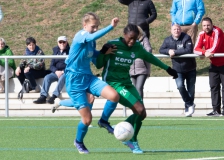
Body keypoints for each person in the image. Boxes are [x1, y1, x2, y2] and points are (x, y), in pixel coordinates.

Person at [96, 24, 178, 154]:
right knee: (139, 109)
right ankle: (133, 140)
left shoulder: (137, 47)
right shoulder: (113, 45)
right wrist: (102, 52)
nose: (132, 42)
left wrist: (167, 68)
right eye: (130, 38)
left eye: (135, 39)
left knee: (142, 113)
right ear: (124, 35)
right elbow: (99, 64)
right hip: (114, 83)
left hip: (126, 83)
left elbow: (150, 57)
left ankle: (121, 129)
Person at [64, 12, 120, 154]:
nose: (95, 29)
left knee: (114, 96)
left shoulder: (91, 41)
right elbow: (92, 36)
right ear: (84, 25)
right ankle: (78, 142)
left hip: (88, 77)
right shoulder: (80, 35)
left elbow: (93, 54)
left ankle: (104, 121)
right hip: (74, 81)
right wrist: (111, 27)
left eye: (97, 27)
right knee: (87, 119)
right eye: (93, 26)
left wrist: (103, 53)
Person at [194, 17, 224, 116]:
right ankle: (216, 110)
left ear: (212, 25)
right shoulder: (201, 34)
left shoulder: (217, 31)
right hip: (215, 63)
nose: (206, 27)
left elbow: (214, 48)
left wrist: (205, 52)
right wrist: (204, 52)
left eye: (208, 25)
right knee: (214, 86)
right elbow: (195, 49)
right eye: (204, 25)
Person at [159, 24, 196, 117]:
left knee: (191, 89)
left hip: (190, 68)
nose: (176, 31)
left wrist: (174, 52)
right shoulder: (167, 40)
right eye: (174, 29)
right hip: (177, 69)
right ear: (171, 31)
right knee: (180, 86)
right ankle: (190, 104)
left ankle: (188, 108)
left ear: (181, 30)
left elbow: (188, 50)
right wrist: (168, 51)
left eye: (178, 29)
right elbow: (161, 49)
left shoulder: (186, 37)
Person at [33, 36, 70, 104]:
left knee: (62, 77)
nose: (62, 44)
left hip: (65, 72)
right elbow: (51, 65)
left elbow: (71, 65)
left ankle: (54, 96)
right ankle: (43, 96)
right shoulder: (55, 51)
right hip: (56, 72)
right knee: (47, 77)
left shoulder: (70, 51)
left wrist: (62, 71)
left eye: (64, 42)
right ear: (58, 43)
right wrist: (56, 71)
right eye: (60, 42)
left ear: (66, 42)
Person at [129, 26, 152, 99]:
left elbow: (148, 49)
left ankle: (140, 107)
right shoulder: (130, 40)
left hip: (142, 68)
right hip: (132, 69)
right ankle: (136, 108)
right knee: (135, 89)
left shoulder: (144, 39)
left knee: (139, 88)